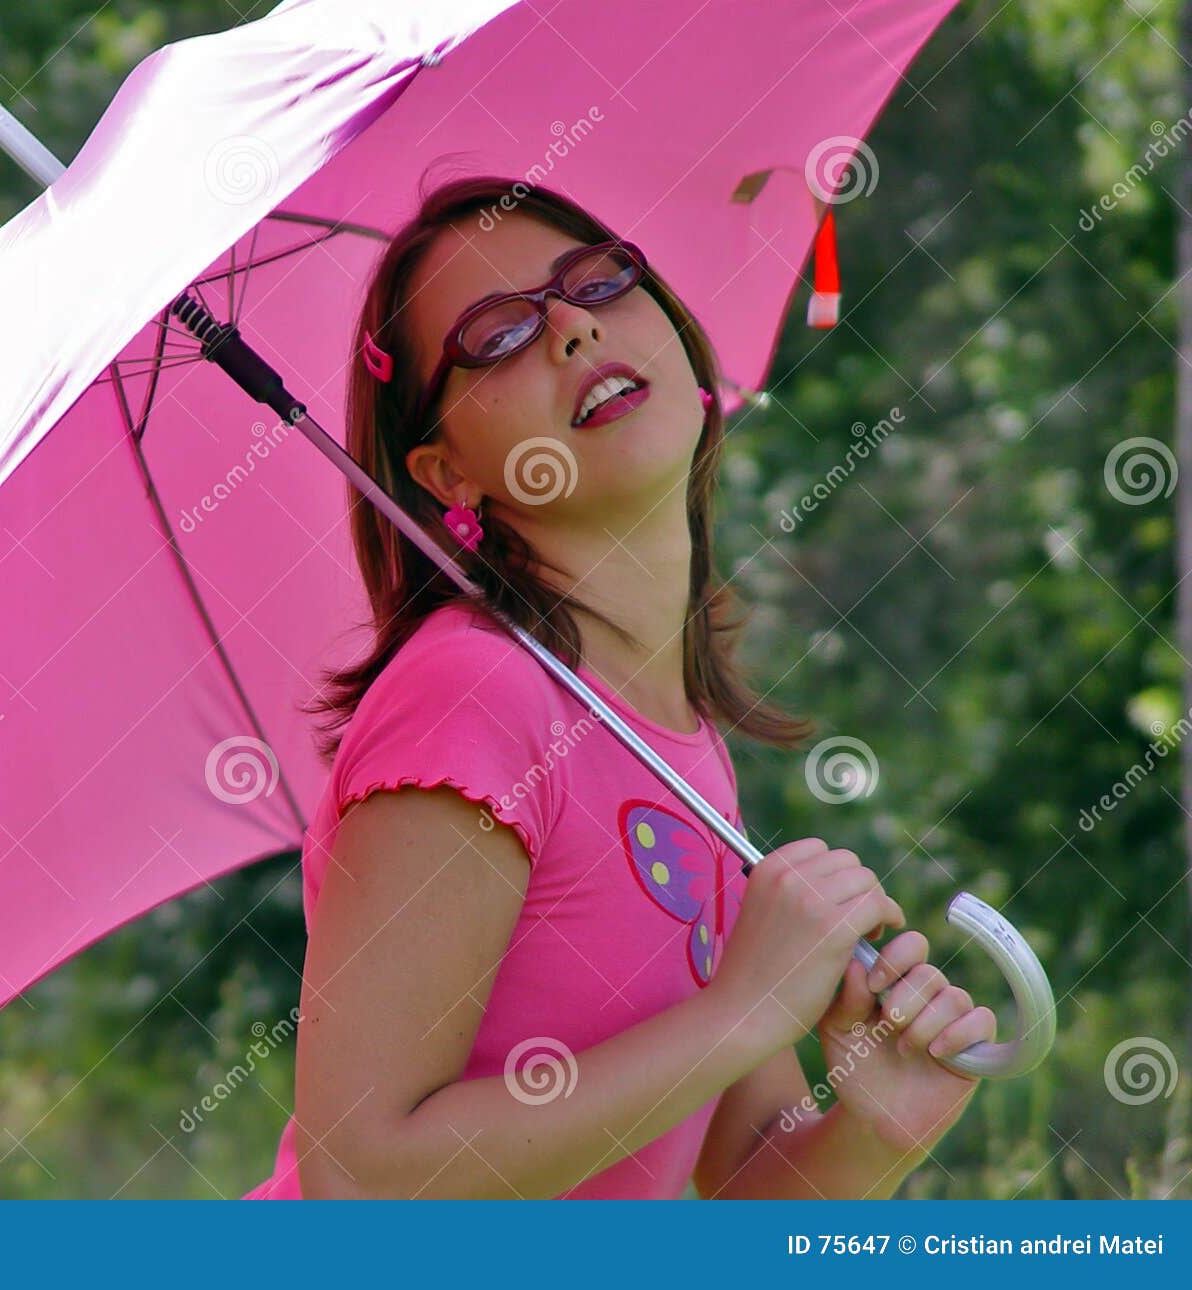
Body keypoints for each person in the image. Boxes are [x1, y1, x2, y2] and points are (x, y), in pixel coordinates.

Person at [243, 176, 995, 1200]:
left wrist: (876, 1133)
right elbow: (361, 1180)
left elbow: (737, 1192)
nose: (567, 328)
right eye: (495, 336)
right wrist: (743, 1007)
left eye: (596, 282)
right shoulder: (473, 696)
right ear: (444, 474)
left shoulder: (680, 743)